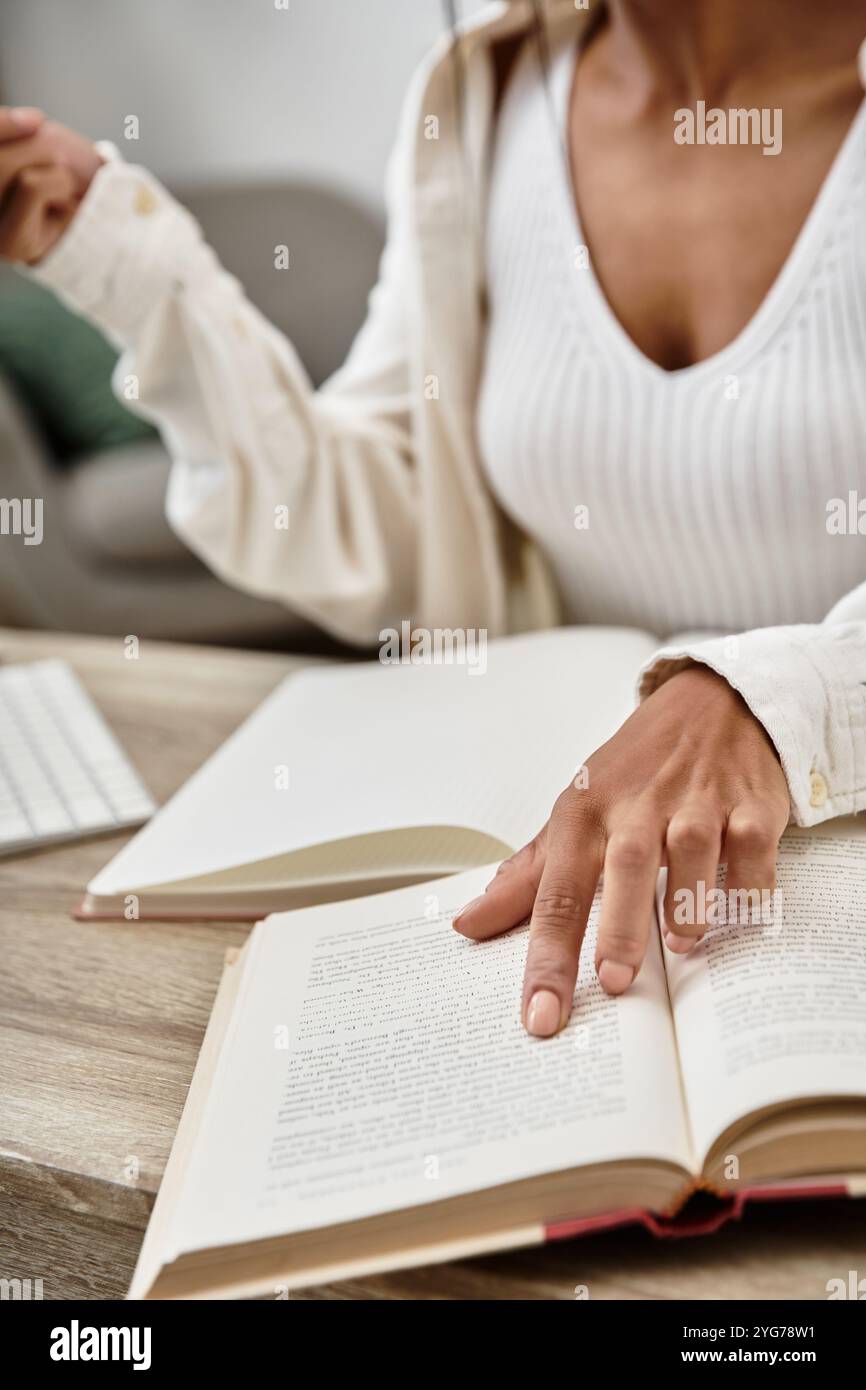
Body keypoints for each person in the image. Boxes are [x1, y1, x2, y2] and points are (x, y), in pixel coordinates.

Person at [2, 0, 864, 1036]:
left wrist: (767, 698)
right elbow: (367, 516)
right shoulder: (480, 100)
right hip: (595, 895)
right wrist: (130, 261)